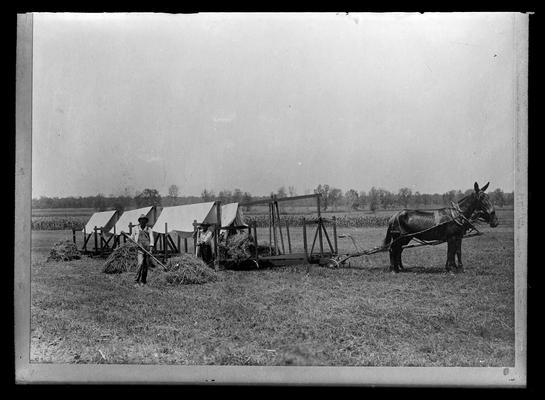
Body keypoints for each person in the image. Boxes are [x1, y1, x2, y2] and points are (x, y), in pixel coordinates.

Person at [131, 214, 154, 286]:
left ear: (146, 221)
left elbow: (151, 239)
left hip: (147, 249)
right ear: (139, 221)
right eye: (141, 220)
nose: (142, 221)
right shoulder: (135, 228)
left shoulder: (149, 229)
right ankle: (136, 281)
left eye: (144, 220)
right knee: (140, 264)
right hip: (139, 249)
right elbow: (132, 237)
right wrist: (128, 238)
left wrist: (150, 249)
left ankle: (143, 281)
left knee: (145, 265)